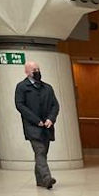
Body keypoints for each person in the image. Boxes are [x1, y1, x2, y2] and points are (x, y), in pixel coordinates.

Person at [14, 61, 59, 189]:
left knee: (42, 153)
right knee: (40, 151)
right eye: (34, 69)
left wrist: (51, 119)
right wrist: (36, 120)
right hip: (32, 126)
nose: (37, 71)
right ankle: (47, 178)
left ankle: (40, 180)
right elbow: (20, 105)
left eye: (38, 69)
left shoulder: (47, 88)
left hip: (47, 126)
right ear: (27, 72)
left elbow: (55, 105)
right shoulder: (22, 87)